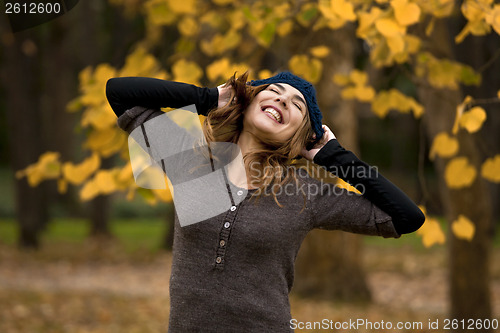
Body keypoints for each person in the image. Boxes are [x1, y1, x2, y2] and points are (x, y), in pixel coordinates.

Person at [106, 71, 425, 332]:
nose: (284, 99)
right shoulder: (191, 162)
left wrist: (332, 156)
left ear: (301, 137)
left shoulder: (306, 193)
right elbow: (119, 92)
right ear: (247, 102)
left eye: (297, 105)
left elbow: (406, 217)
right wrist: (209, 98)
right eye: (274, 90)